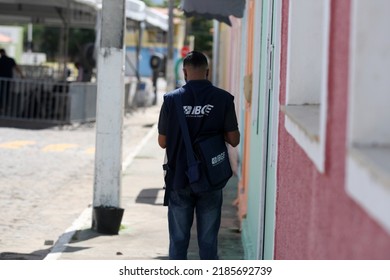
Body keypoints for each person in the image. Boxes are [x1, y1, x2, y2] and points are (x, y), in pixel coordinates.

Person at [157, 51, 240, 260]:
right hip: (211, 178)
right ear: (208, 72)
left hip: (179, 178)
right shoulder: (223, 99)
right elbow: (234, 139)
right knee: (208, 242)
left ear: (184, 72)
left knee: (178, 241)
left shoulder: (170, 100)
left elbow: (162, 142)